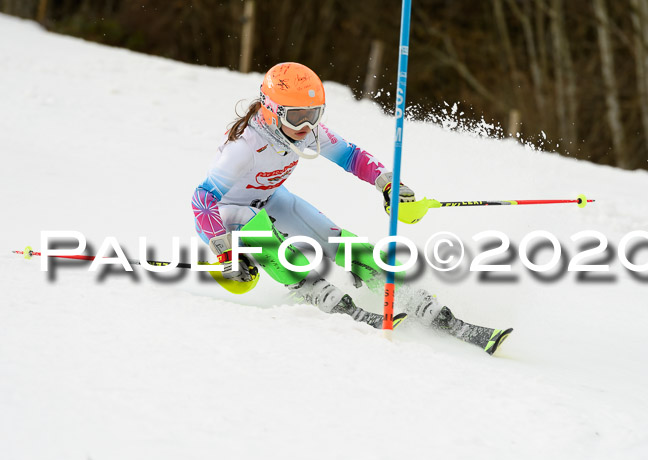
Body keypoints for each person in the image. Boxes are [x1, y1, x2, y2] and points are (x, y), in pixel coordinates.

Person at [192, 62, 511, 353]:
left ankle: (411, 296)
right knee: (268, 238)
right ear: (272, 112)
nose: (307, 126)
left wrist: (388, 182)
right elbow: (203, 198)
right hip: (229, 214)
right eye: (297, 117)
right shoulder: (244, 146)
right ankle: (321, 294)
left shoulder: (303, 133)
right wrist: (224, 251)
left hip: (272, 196)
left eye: (314, 114)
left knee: (337, 239)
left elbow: (351, 156)